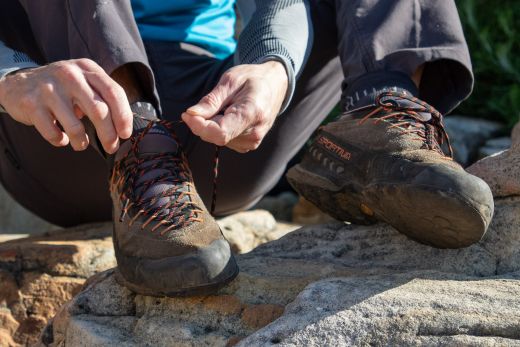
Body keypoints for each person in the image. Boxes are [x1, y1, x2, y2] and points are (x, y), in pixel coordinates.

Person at [0, 0, 493, 296]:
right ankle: (141, 157)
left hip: (223, 129)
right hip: (70, 131)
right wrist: (11, 79)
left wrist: (273, 65)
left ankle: (384, 117)